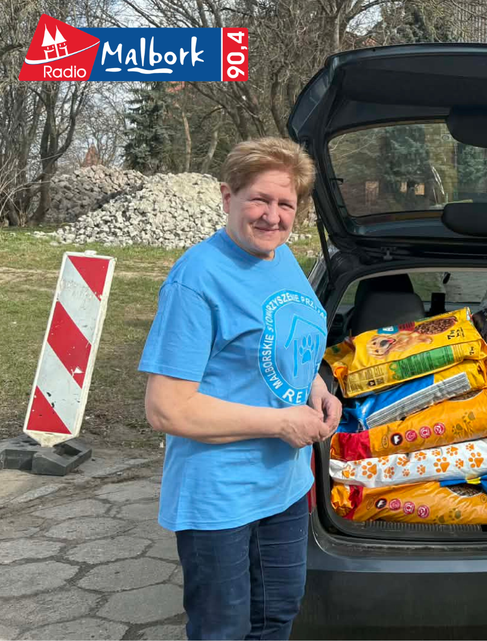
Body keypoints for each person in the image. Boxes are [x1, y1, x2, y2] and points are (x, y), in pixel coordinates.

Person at [139, 137, 341, 640]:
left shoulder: (283, 260)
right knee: (223, 629)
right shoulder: (197, 279)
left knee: (276, 616)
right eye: (260, 200)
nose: (273, 216)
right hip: (221, 497)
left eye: (285, 204)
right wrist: (281, 422)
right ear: (228, 197)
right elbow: (167, 409)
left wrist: (313, 385)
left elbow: (284, 338)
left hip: (286, 487)